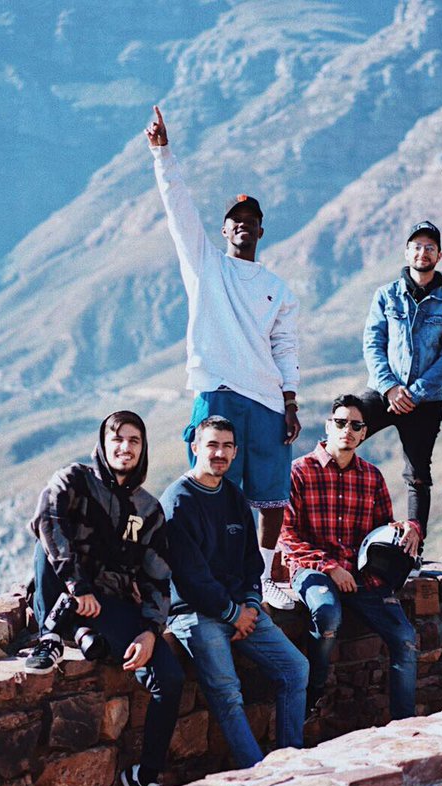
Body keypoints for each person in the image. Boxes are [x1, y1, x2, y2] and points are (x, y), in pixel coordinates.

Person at [146, 105, 302, 611]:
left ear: (261, 231)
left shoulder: (276, 287)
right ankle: (209, 575)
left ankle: (266, 574)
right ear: (223, 230)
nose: (242, 227)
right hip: (217, 391)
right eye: (234, 221)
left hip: (266, 398)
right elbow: (178, 209)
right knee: (213, 482)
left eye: (251, 221)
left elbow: (286, 346)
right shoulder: (205, 267)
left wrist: (291, 399)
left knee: (271, 494)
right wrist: (162, 153)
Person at [25, 411, 183, 786]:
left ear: (143, 449)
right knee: (45, 547)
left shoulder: (148, 510)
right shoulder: (73, 480)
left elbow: (156, 577)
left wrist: (150, 631)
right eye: (118, 438)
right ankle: (51, 636)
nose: (125, 447)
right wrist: (78, 587)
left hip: (110, 604)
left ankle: (144, 777)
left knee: (172, 677)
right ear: (103, 442)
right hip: (70, 591)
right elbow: (47, 521)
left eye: (134, 441)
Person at [161, 416, 309, 769]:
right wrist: (233, 614)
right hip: (194, 613)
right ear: (195, 448)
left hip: (240, 609)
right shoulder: (177, 503)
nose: (220, 453)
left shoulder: (233, 496)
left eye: (227, 446)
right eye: (212, 445)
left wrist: (251, 605)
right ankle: (257, 775)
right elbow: (191, 579)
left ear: (235, 452)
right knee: (227, 693)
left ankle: (291, 760)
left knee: (296, 669)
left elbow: (249, 562)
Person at [280, 394, 421, 720]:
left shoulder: (371, 476)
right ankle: (313, 691)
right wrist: (329, 567)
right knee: (328, 613)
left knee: (406, 639)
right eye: (340, 422)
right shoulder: (299, 472)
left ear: (363, 433)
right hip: (311, 568)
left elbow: (383, 528)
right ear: (329, 426)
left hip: (362, 574)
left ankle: (406, 724)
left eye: (355, 425)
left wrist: (409, 527)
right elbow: (287, 537)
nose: (347, 430)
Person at [360, 220, 442, 540]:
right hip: (382, 391)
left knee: (418, 476)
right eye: (417, 246)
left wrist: (414, 394)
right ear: (407, 253)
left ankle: (413, 547)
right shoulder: (385, 295)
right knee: (340, 439)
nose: (423, 252)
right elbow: (372, 343)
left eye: (429, 248)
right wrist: (390, 387)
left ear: (439, 256)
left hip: (426, 400)